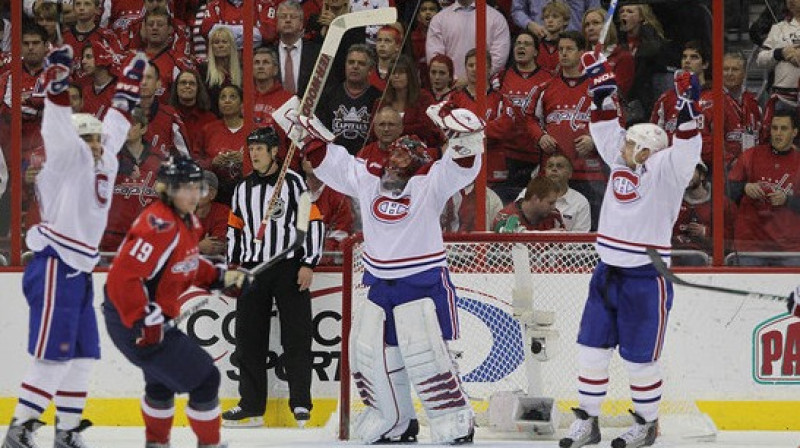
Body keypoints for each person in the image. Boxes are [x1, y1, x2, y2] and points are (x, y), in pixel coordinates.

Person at [274, 99, 484, 444]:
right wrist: (305, 134)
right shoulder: (369, 179)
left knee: (427, 356)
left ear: (419, 163)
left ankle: (455, 419)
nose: (395, 157)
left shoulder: (431, 182)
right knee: (373, 355)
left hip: (423, 281)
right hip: (379, 283)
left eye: (406, 154)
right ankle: (395, 420)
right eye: (395, 152)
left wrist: (452, 123)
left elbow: (465, 158)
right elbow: (332, 161)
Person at [1, 46, 146, 448]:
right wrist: (57, 87)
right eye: (89, 137)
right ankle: (21, 427)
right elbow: (57, 129)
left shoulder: (106, 160)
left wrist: (129, 90)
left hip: (78, 270)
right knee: (53, 356)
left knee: (83, 356)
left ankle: (66, 430)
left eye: (97, 137)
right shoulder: (65, 160)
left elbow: (115, 125)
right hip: (53, 265)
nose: (96, 142)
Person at [558, 52, 702, 448]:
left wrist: (689, 108)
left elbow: (688, 147)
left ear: (644, 149)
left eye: (630, 143)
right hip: (607, 272)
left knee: (640, 361)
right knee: (591, 350)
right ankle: (587, 422)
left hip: (645, 278)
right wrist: (601, 90)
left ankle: (646, 424)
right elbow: (605, 127)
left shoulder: (668, 172)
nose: (620, 147)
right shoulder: (621, 161)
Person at [103, 155, 245, 448]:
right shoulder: (158, 227)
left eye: (198, 188)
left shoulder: (187, 222)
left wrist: (220, 278)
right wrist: (144, 320)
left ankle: (156, 444)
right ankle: (209, 444)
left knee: (161, 382)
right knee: (206, 378)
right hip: (134, 320)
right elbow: (122, 280)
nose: (194, 194)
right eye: (186, 188)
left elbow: (186, 265)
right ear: (167, 190)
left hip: (147, 318)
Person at [222, 126, 325, 427]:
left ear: (274, 152)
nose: (253, 153)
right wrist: (233, 264)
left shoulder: (294, 183)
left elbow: (314, 222)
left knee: (297, 336)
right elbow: (234, 228)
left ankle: (301, 404)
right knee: (248, 338)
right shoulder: (242, 188)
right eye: (250, 148)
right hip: (253, 269)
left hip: (288, 267)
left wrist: (309, 263)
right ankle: (252, 406)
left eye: (259, 148)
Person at [726, 110, 800, 267]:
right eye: (774, 128)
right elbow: (726, 188)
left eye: (784, 129)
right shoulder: (751, 155)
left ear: (794, 132)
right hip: (751, 244)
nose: (778, 133)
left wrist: (787, 200)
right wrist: (744, 188)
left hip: (789, 247)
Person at [426, 0, 510, 81]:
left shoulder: (496, 18)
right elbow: (435, 57)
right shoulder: (439, 19)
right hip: (449, 87)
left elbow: (499, 57)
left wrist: (473, 80)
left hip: (484, 89)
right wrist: (453, 80)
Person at [493, 176, 564, 232]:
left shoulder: (554, 215)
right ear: (535, 198)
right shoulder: (507, 215)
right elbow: (505, 245)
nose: (553, 207)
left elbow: (564, 247)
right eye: (550, 203)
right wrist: (547, 236)